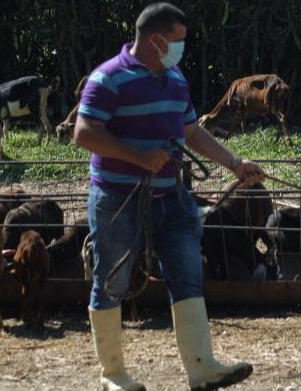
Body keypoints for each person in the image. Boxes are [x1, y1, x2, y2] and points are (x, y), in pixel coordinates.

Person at [73, 3, 264, 390]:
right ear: (156, 39)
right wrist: (138, 156)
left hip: (172, 197)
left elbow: (191, 132)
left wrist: (235, 163)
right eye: (177, 41)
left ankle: (202, 368)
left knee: (188, 274)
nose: (181, 49)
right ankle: (113, 375)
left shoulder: (175, 77)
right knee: (111, 279)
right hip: (117, 199)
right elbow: (84, 133)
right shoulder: (108, 78)